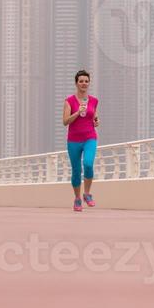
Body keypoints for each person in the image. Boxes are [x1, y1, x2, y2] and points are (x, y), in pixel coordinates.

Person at [62, 70, 101, 212]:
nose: (84, 84)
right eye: (81, 81)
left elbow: (93, 115)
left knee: (88, 164)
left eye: (86, 81)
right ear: (76, 83)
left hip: (90, 137)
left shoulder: (94, 100)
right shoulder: (69, 101)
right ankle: (77, 199)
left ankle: (87, 194)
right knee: (76, 171)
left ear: (89, 83)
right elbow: (65, 121)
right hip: (73, 140)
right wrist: (77, 112)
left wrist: (96, 121)